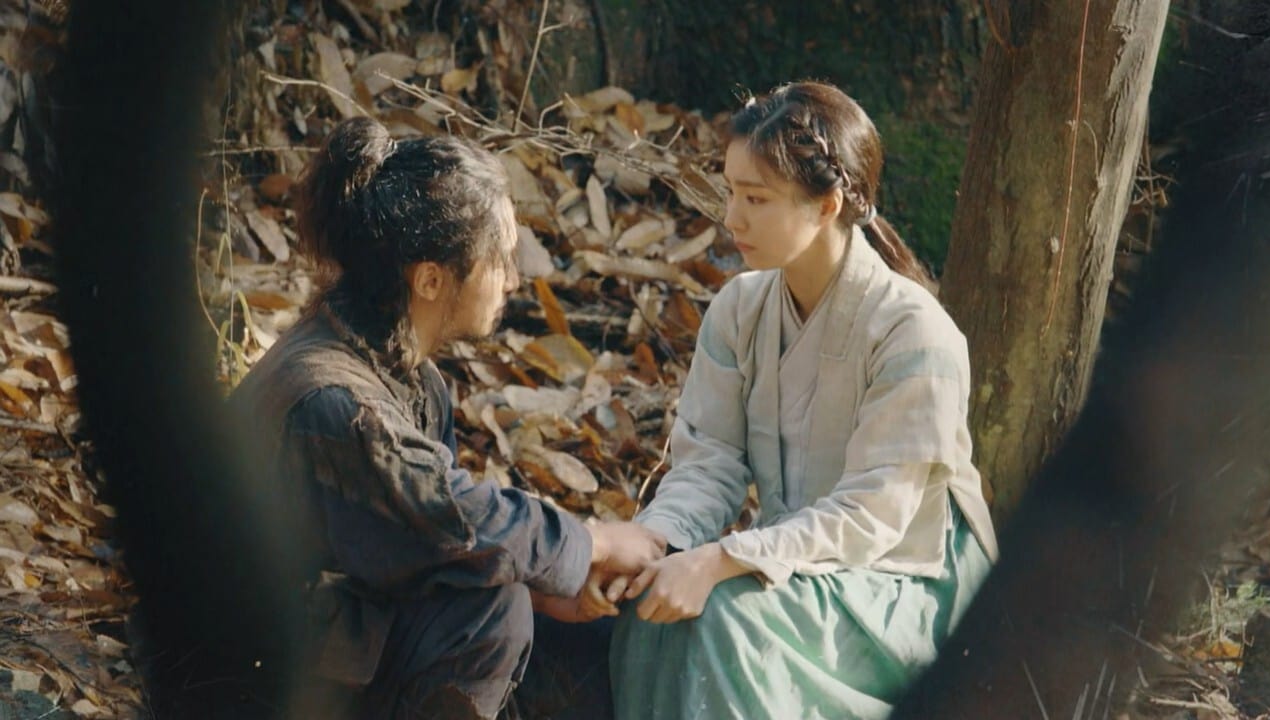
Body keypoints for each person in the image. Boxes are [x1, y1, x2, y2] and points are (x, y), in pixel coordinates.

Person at [229, 117, 663, 720]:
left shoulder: (412, 378)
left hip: (333, 630)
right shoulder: (336, 404)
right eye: (499, 260)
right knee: (492, 614)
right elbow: (452, 520)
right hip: (238, 678)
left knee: (576, 631)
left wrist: (552, 588)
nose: (514, 279)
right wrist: (590, 543)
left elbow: (431, 551)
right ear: (431, 278)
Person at [596, 81, 1001, 719]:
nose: (732, 218)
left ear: (827, 205)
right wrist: (656, 544)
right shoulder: (739, 309)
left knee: (727, 619)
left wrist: (724, 559)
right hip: (800, 562)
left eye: (756, 198)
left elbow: (870, 517)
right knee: (653, 605)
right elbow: (708, 465)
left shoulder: (914, 332)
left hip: (906, 587)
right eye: (731, 192)